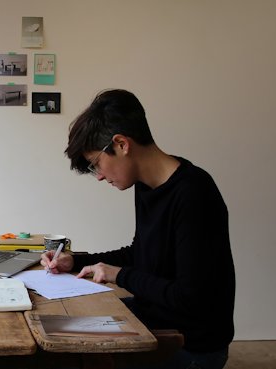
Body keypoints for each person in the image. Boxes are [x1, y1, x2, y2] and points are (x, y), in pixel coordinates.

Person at [41, 89, 235, 369]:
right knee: (56, 330)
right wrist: (77, 261)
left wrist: (119, 275)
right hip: (155, 318)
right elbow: (140, 252)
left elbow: (190, 297)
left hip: (191, 343)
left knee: (72, 350)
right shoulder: (146, 185)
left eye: (97, 163)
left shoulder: (194, 194)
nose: (99, 176)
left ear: (121, 144)